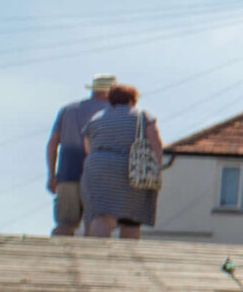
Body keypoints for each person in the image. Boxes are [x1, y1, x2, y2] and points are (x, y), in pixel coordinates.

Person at [78, 84, 163, 240]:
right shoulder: (143, 117)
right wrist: (157, 167)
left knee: (102, 215)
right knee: (131, 218)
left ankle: (97, 254)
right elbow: (155, 143)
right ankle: (126, 258)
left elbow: (88, 147)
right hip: (130, 168)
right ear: (132, 100)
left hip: (97, 167)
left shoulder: (96, 118)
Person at [45, 74, 115, 237]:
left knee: (64, 223)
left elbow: (53, 143)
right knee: (95, 224)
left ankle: (56, 257)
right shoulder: (110, 112)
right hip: (98, 174)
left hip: (68, 172)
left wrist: (52, 175)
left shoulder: (68, 110)